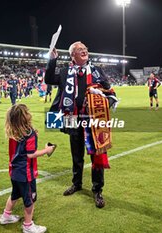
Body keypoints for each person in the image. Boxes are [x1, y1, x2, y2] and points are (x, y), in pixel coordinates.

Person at [44, 41, 117, 208]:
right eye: (79, 50)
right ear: (72, 55)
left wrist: (108, 101)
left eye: (85, 49)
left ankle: (97, 190)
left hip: (94, 120)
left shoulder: (97, 71)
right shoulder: (64, 72)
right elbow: (48, 79)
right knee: (76, 155)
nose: (84, 51)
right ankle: (76, 184)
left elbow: (110, 91)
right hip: (73, 119)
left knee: (96, 155)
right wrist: (52, 59)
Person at [0, 104, 55, 233]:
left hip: (14, 170)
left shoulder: (13, 131)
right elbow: (30, 154)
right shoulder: (29, 133)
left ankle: (6, 216)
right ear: (25, 116)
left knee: (15, 194)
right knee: (29, 199)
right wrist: (47, 150)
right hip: (26, 173)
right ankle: (28, 226)